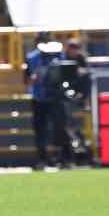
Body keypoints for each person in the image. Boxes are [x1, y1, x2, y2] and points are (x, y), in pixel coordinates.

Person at [24, 35, 69, 170]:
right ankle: (42, 160)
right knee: (40, 130)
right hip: (40, 98)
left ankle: (64, 159)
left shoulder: (59, 54)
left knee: (60, 129)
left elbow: (66, 75)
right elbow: (27, 80)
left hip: (57, 97)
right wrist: (36, 77)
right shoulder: (33, 58)